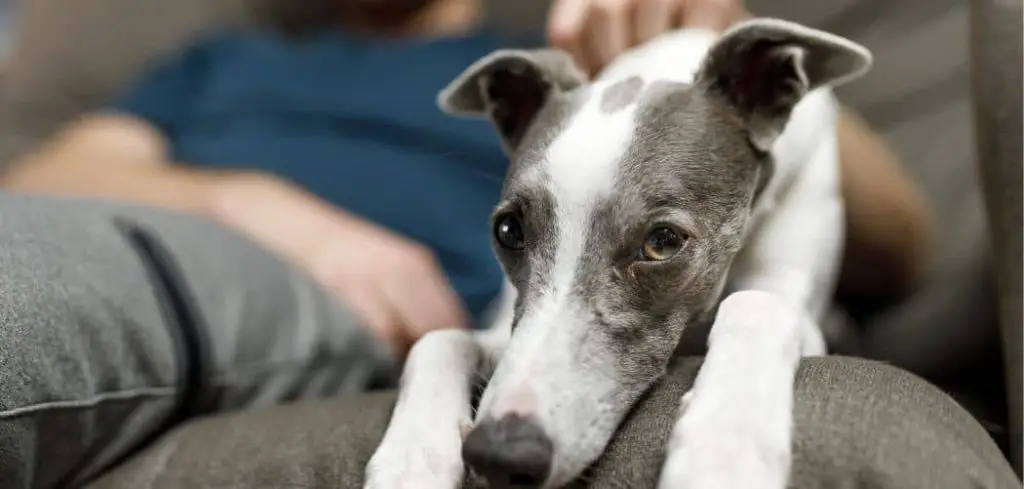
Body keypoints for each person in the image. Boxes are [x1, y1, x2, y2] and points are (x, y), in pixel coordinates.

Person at [0, 0, 951, 487]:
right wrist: (260, 203)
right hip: (155, 240)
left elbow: (899, 247)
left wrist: (714, 32)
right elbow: (34, 183)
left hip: (323, 306)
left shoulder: (577, 70)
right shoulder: (228, 57)